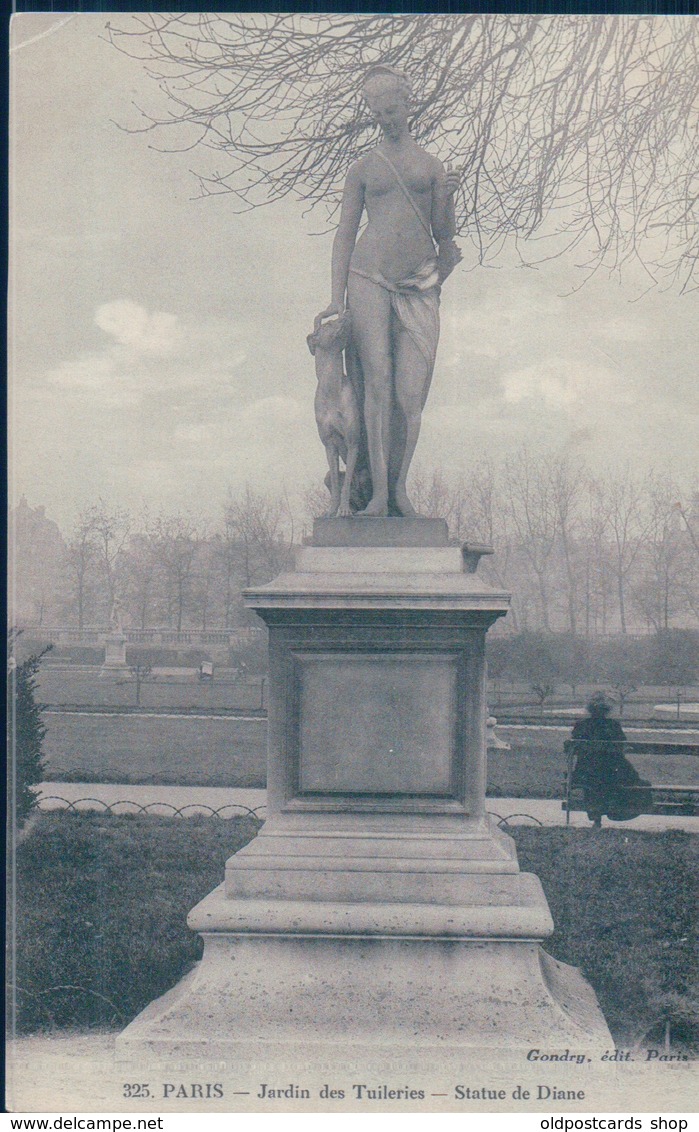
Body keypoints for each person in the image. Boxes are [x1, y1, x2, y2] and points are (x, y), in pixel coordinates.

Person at [316, 64, 462, 517]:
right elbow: (344, 234)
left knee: (410, 394)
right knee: (375, 384)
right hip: (368, 278)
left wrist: (450, 196)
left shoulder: (432, 166)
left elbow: (444, 234)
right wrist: (336, 299)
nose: (386, 119)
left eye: (392, 109)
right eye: (377, 112)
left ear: (407, 103)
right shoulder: (362, 168)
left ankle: (400, 486)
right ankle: (379, 496)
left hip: (419, 282)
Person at [571, 693, 648, 828]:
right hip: (612, 769)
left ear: (590, 710)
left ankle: (596, 817)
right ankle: (616, 810)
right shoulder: (613, 725)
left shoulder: (581, 725)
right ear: (607, 711)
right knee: (629, 779)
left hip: (586, 771)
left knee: (596, 783)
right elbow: (621, 745)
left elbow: (573, 747)